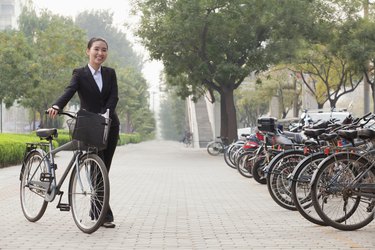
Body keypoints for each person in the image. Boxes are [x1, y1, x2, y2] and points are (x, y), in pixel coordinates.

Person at [47, 37, 119, 229]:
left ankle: (98, 210)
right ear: (88, 51)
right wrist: (57, 105)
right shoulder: (80, 74)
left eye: (104, 50)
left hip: (110, 125)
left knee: (104, 168)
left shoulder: (110, 73)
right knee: (97, 167)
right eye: (96, 49)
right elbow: (69, 91)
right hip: (88, 125)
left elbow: (114, 96)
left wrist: (107, 113)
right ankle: (103, 214)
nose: (100, 53)